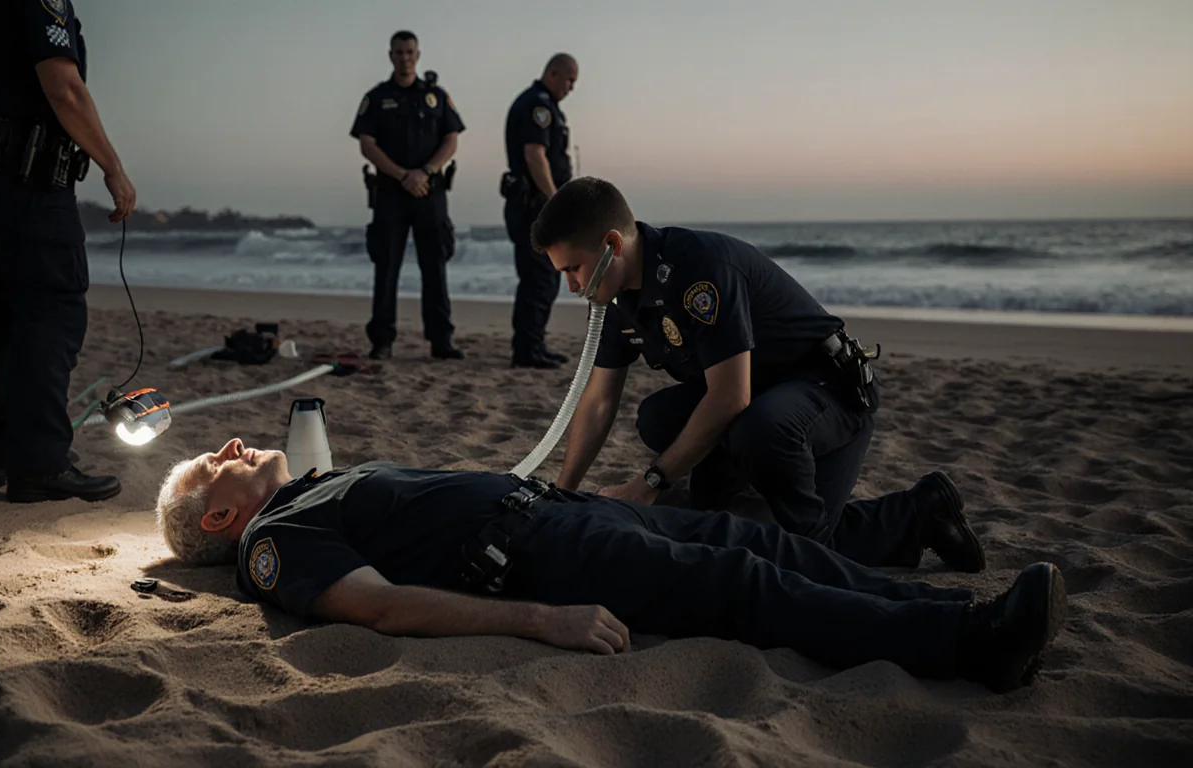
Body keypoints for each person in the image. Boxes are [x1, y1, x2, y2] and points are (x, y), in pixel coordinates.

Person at [154, 438, 1068, 694]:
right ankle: (969, 643)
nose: (230, 445)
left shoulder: (313, 489)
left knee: (763, 544)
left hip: (556, 512)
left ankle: (938, 609)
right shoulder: (274, 547)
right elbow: (382, 610)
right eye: (213, 463)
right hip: (534, 557)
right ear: (225, 517)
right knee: (739, 589)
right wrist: (539, 620)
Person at [529, 177, 986, 573]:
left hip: (827, 389)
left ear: (612, 245)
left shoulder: (697, 271)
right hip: (763, 397)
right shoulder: (615, 294)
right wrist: (564, 495)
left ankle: (920, 510)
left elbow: (730, 398)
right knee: (657, 417)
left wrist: (650, 482)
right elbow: (599, 399)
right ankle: (746, 506)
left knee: (799, 548)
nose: (571, 286)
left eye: (573, 269)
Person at [0, 0, 135, 503]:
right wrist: (111, 166)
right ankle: (41, 464)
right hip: (22, 170)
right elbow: (62, 86)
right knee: (52, 311)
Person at [351, 30, 466, 362]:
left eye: (410, 52)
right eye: (399, 52)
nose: (405, 58)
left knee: (435, 267)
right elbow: (366, 144)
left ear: (418, 55)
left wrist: (425, 172)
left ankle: (441, 341)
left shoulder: (436, 96)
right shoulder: (376, 98)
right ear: (390, 56)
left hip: (430, 192)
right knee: (387, 268)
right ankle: (382, 341)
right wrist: (403, 176)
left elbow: (451, 139)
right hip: (391, 193)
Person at [502, 54, 580, 369]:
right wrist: (554, 200)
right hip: (534, 206)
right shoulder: (538, 105)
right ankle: (527, 350)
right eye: (569, 80)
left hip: (537, 205)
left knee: (545, 277)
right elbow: (535, 155)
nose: (572, 88)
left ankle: (534, 343)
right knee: (539, 278)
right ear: (553, 73)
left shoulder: (547, 105)